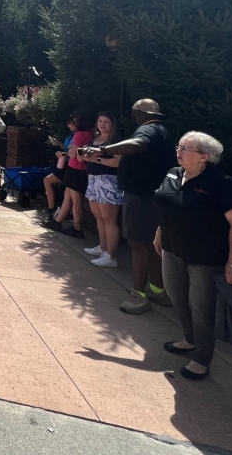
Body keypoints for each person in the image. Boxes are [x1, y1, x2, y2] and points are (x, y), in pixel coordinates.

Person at [153, 132, 232, 380]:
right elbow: (169, 206)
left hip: (205, 257)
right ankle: (189, 339)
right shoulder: (173, 173)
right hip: (173, 249)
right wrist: (160, 232)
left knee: (201, 308)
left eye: (187, 148)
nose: (179, 151)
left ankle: (202, 359)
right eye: (179, 146)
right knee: (177, 297)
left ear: (205, 156)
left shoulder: (221, 184)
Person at [79, 99, 175, 315]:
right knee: (152, 245)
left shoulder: (148, 130)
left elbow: (138, 144)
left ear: (137, 113)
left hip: (142, 197)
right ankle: (157, 289)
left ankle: (138, 296)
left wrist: (102, 150)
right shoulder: (160, 129)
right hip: (151, 196)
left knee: (138, 244)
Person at [79, 112, 123, 268]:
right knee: (98, 216)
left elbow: (118, 162)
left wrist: (96, 159)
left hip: (108, 181)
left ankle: (110, 256)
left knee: (109, 218)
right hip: (93, 179)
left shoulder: (116, 141)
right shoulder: (95, 139)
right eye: (100, 121)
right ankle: (102, 248)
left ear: (113, 124)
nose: (102, 124)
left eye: (106, 121)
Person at [47, 111, 94, 239]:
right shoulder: (91, 133)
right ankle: (56, 222)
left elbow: (73, 154)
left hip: (76, 169)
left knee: (76, 200)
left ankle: (77, 228)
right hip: (81, 169)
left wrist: (65, 153)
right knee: (68, 197)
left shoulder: (79, 134)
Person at [43, 117, 77, 219]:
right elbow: (69, 149)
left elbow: (73, 153)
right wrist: (59, 144)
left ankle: (53, 209)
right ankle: (60, 211)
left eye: (70, 123)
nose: (68, 125)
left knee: (47, 180)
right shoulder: (72, 135)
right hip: (66, 164)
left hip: (70, 165)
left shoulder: (78, 136)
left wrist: (62, 153)